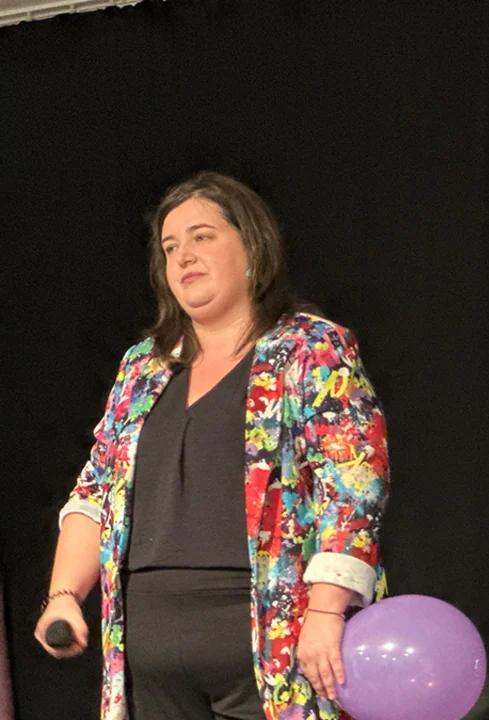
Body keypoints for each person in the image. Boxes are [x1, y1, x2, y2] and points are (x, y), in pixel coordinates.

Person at [33, 171, 390, 720]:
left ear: (252, 249)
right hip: (149, 650)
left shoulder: (309, 348)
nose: (184, 257)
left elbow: (353, 483)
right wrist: (63, 597)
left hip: (270, 644)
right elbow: (96, 491)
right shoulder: (143, 367)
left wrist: (327, 610)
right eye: (170, 247)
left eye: (202, 237)